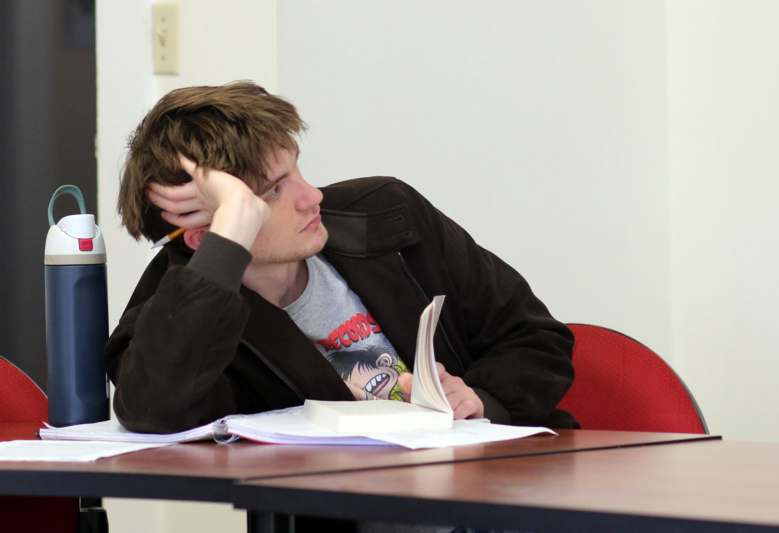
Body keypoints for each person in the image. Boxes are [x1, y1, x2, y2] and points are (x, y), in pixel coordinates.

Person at [107, 81, 577, 438]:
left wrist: (480, 399)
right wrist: (229, 236)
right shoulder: (176, 318)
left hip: (500, 483)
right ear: (207, 235)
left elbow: (536, 338)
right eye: (273, 191)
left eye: (296, 170)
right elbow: (153, 413)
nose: (311, 196)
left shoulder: (387, 215)